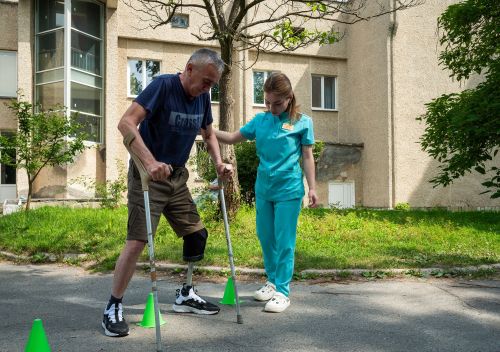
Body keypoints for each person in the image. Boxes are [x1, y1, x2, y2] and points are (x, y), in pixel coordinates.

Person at [102, 48, 233, 337]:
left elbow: (208, 133)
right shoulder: (163, 85)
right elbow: (125, 122)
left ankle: (185, 294)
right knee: (137, 242)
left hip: (176, 176)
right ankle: (113, 306)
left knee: (197, 234)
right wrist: (149, 162)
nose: (207, 88)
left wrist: (219, 163)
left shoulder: (203, 97)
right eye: (205, 81)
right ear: (189, 69)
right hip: (147, 176)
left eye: (212, 84)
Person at [215, 72, 318, 313]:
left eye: (277, 103)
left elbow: (307, 156)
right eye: (268, 102)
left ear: (289, 97)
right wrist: (203, 129)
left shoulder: (303, 122)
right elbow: (231, 138)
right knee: (266, 237)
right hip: (264, 189)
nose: (271, 108)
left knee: (284, 241)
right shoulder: (260, 121)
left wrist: (312, 188)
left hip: (289, 189)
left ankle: (283, 291)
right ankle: (272, 282)